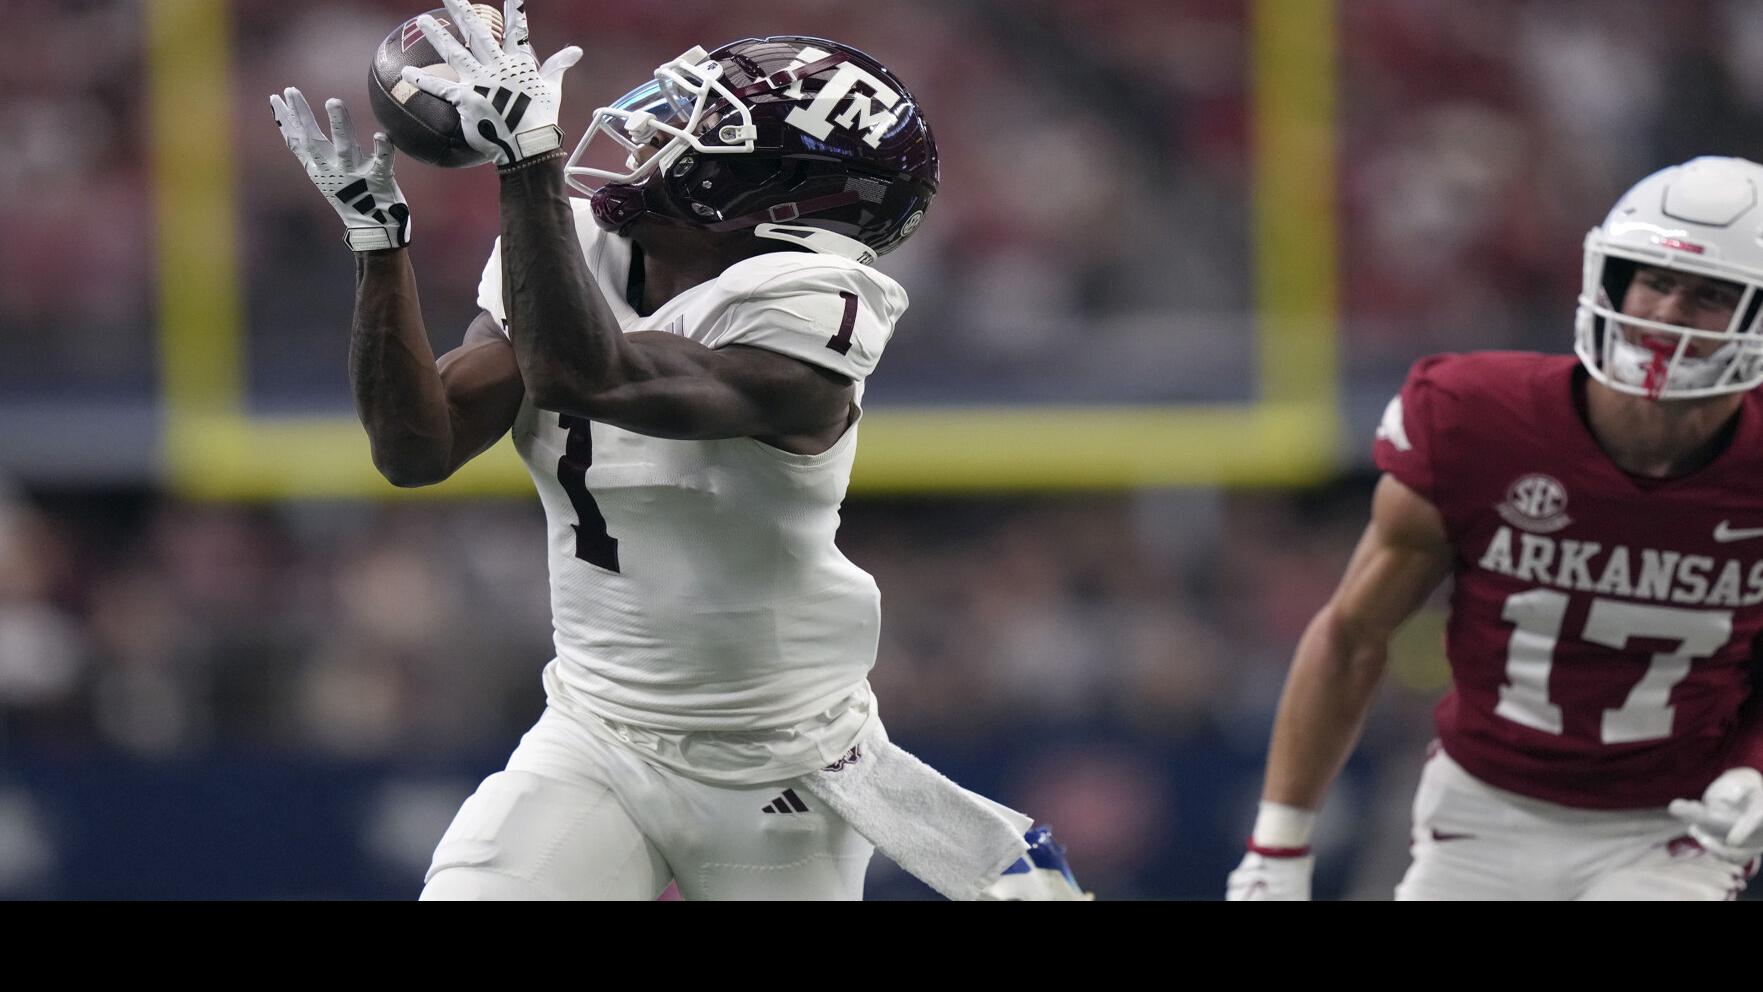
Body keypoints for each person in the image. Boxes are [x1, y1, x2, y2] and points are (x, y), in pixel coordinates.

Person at [270, 0, 1086, 900]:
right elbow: (415, 448)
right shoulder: (577, 242)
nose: (654, 133)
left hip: (777, 765)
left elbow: (596, 377)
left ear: (771, 192)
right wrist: (376, 243)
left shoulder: (816, 304)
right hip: (595, 730)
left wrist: (529, 164)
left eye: (701, 130)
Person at [1228, 156, 1763, 901]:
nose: (1667, 314)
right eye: (1654, 280)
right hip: (1483, 807)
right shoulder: (1478, 420)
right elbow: (1352, 636)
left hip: (1670, 825)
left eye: (1709, 295)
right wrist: (1276, 848)